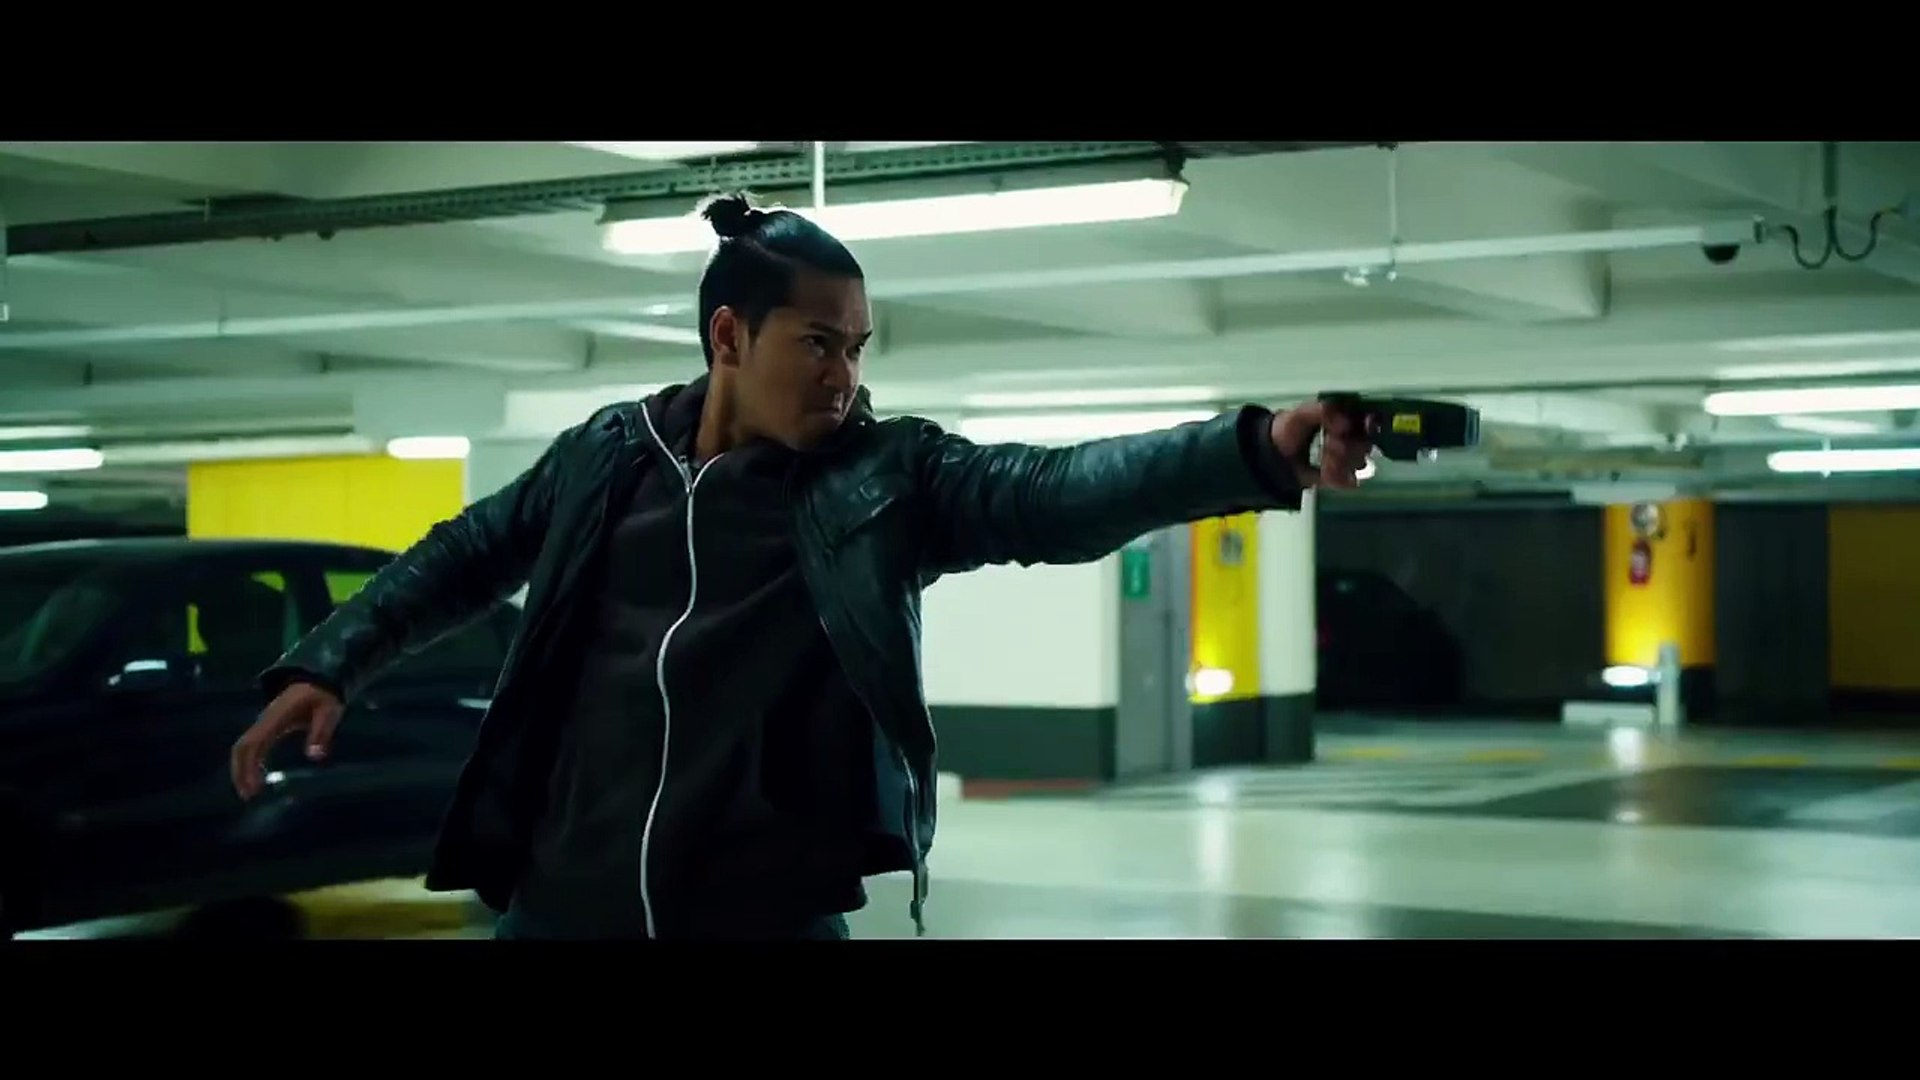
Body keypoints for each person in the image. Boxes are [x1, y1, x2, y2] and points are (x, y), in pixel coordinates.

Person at [228, 191, 1373, 942]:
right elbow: (466, 553)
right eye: (818, 343)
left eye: (856, 348)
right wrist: (331, 662)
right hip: (564, 905)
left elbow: (1053, 493)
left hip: (762, 913)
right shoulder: (607, 457)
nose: (843, 377)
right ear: (729, 336)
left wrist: (1252, 451)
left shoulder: (882, 480)